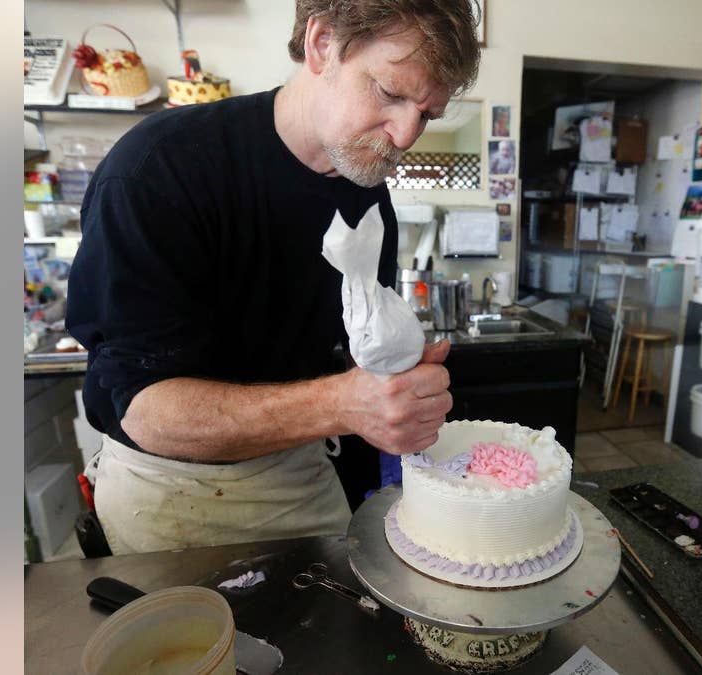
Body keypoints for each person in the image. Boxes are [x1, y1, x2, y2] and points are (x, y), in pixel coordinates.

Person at [65, 1, 482, 555]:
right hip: (171, 496)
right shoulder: (160, 170)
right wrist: (343, 404)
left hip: (303, 470)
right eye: (390, 93)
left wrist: (391, 375)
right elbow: (144, 411)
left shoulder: (365, 193)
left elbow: (344, 357)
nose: (406, 136)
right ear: (322, 43)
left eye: (427, 114)